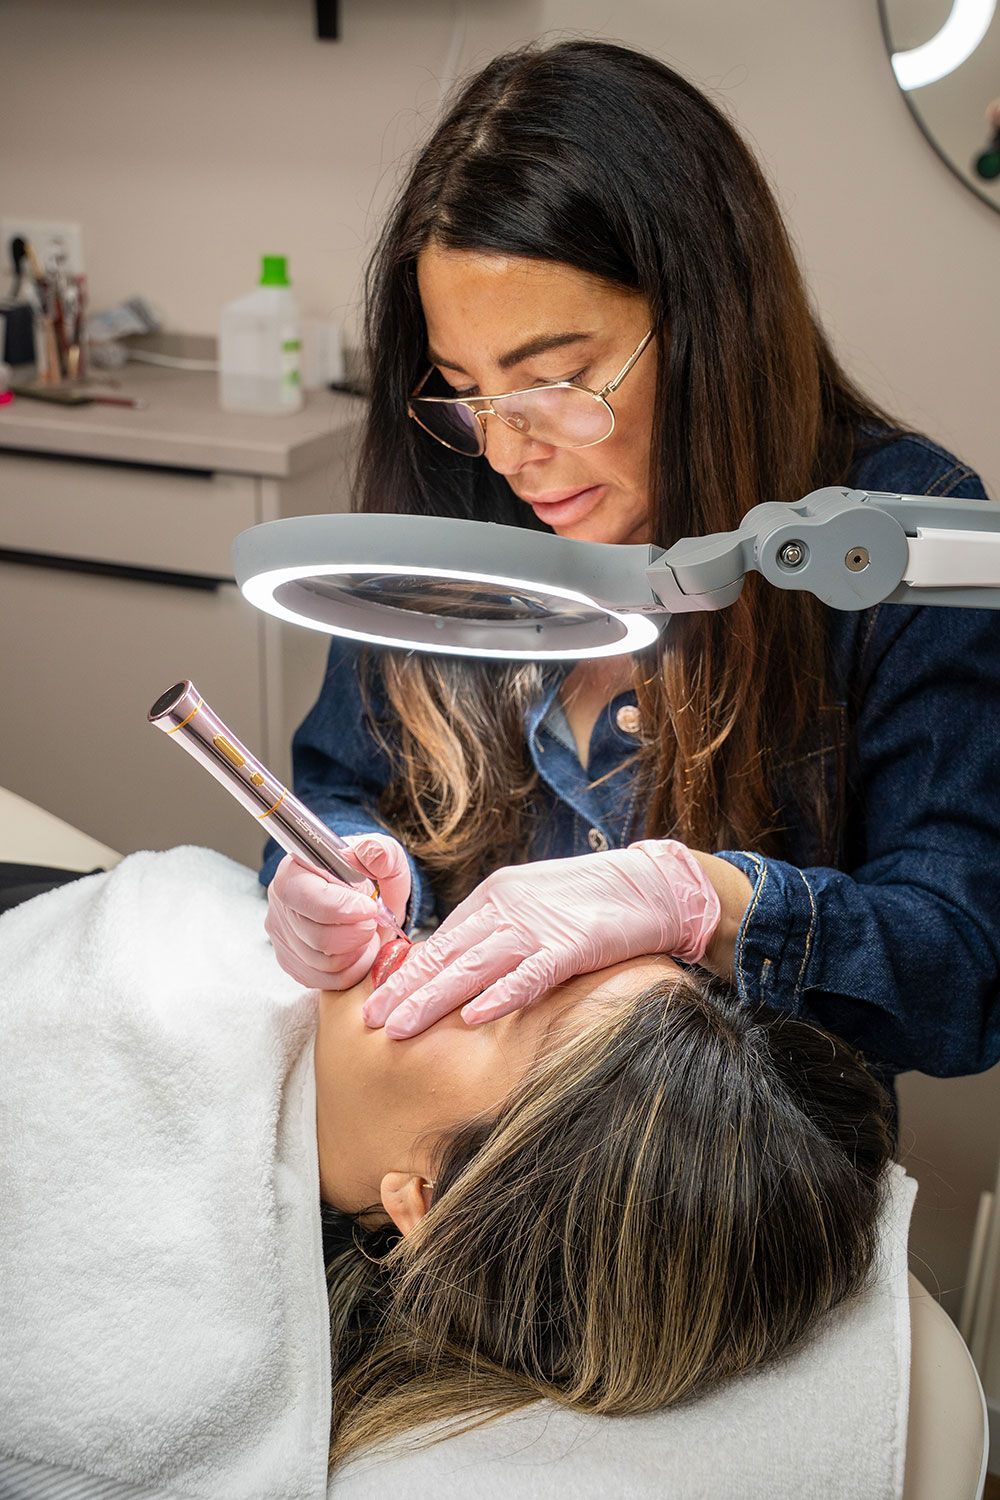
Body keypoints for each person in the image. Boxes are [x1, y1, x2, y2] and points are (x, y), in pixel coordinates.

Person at [262, 38, 1000, 1093]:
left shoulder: (890, 550)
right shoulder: (450, 497)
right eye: (466, 391)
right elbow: (341, 784)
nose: (508, 452)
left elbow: (963, 967)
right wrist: (335, 872)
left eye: (557, 380)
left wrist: (705, 905)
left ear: (708, 326)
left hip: (721, 1170)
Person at [0, 849, 893, 1478]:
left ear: (427, 1201)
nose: (463, 948)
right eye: (565, 956)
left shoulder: (157, 1322)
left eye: (512, 1004)